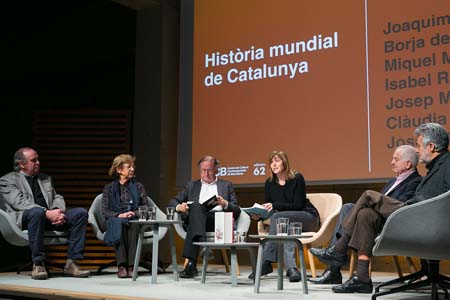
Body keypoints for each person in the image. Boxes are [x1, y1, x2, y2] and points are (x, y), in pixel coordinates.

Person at [312, 123, 450, 293]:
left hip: (418, 217)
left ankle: (339, 249)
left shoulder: (447, 165)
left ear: (431, 146)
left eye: (418, 145)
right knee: (366, 214)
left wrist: (418, 206)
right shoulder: (435, 168)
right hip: (415, 214)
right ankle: (362, 277)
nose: (417, 150)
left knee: (369, 195)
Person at [309, 145, 421, 284]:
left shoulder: (416, 182)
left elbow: (401, 207)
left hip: (388, 225)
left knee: (368, 198)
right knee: (347, 208)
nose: (392, 162)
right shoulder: (393, 181)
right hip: (371, 219)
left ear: (408, 163)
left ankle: (338, 251)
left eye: (395, 159)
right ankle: (334, 270)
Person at [0, 147, 90, 280]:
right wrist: (47, 213)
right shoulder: (7, 180)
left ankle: (72, 263)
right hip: (26, 219)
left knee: (80, 213)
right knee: (36, 212)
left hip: (49, 217)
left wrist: (57, 211)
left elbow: (57, 196)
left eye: (38, 159)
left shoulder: (45, 178)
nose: (38, 162)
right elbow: (20, 203)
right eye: (33, 160)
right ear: (21, 164)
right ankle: (38, 263)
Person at [248, 150, 320, 282]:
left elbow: (298, 205)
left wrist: (274, 206)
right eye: (271, 162)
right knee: (283, 225)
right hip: (287, 220)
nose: (273, 164)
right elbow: (270, 208)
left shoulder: (297, 178)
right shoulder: (269, 183)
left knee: (279, 218)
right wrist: (261, 216)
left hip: (307, 217)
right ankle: (292, 269)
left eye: (277, 160)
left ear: (284, 162)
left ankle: (266, 262)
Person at [169, 155, 241, 278]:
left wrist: (225, 204)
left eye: (210, 170)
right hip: (196, 219)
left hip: (217, 221)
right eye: (203, 170)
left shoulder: (226, 185)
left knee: (196, 212)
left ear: (216, 170)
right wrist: (179, 207)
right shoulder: (192, 185)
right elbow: (173, 201)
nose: (206, 173)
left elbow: (237, 210)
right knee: (196, 207)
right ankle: (201, 245)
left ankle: (191, 264)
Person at [101, 154, 151, 278]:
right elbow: (105, 211)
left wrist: (134, 213)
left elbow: (146, 207)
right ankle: (122, 265)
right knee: (120, 224)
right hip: (116, 220)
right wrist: (120, 215)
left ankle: (132, 266)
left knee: (133, 225)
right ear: (119, 170)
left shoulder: (138, 186)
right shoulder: (109, 188)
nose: (132, 169)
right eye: (129, 167)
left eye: (133, 167)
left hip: (134, 218)